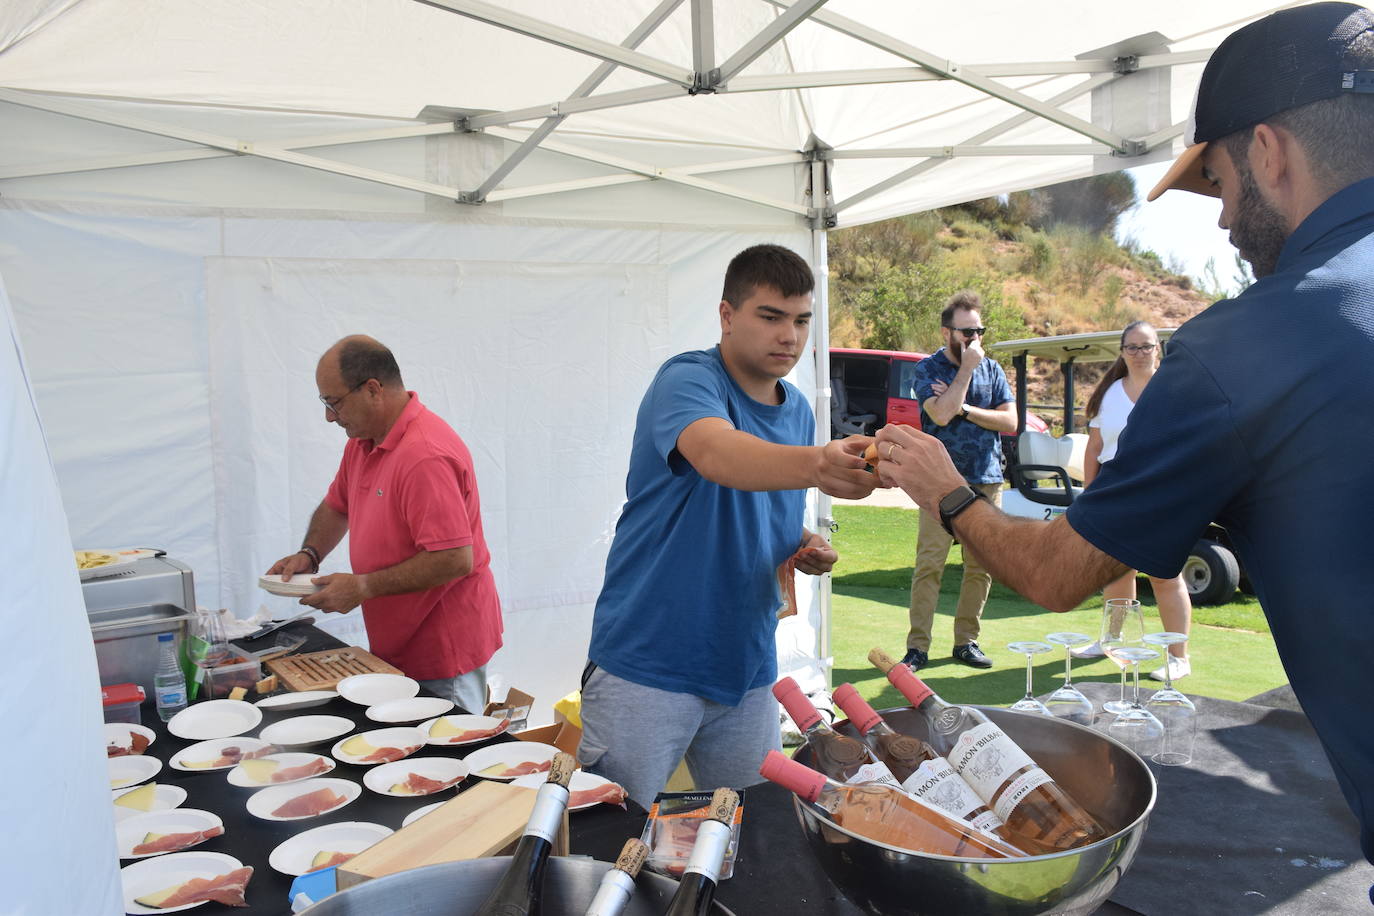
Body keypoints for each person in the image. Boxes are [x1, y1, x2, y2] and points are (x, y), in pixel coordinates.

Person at [873, 2, 1374, 879]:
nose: (1221, 222)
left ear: (1268, 152)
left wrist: (946, 491)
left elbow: (1055, 574)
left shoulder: (1246, 347)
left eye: (1216, 184)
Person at [578, 244, 879, 808]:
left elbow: (765, 512)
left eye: (801, 320)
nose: (789, 336)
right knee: (608, 839)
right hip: (649, 664)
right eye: (770, 316)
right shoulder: (688, 379)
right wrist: (819, 462)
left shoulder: (797, 410)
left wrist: (806, 545)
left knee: (752, 838)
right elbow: (718, 454)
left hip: (745, 666)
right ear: (726, 316)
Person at [267, 335, 503, 714]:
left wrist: (361, 586)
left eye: (334, 402)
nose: (329, 416)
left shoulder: (424, 455)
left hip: (444, 650)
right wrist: (309, 555)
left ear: (373, 389)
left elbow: (454, 558)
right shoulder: (363, 441)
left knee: (447, 761)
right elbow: (337, 505)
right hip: (401, 643)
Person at [899, 291, 1017, 671]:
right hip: (938, 481)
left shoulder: (994, 370)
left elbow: (1010, 422)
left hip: (986, 479)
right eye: (966, 331)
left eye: (979, 330)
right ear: (946, 332)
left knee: (981, 565)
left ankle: (966, 643)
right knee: (929, 565)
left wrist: (965, 406)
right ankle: (918, 648)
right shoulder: (928, 370)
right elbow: (942, 415)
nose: (974, 338)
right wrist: (965, 371)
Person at [1072, 322, 1194, 681]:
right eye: (1132, 348)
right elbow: (1095, 448)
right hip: (1113, 492)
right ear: (1122, 352)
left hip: (1161, 490)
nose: (1140, 354)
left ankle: (1178, 657)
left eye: (1147, 347)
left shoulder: (1174, 389)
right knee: (1116, 572)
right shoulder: (1109, 392)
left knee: (1164, 576)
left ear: (1158, 349)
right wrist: (1090, 496)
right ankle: (1110, 640)